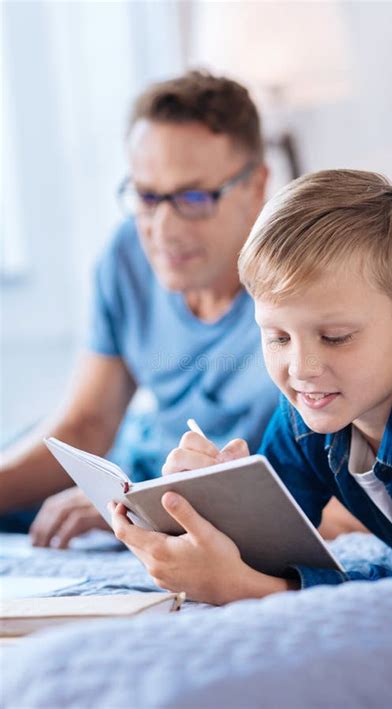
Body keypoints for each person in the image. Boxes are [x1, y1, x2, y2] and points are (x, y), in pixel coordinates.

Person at [108, 169, 392, 605]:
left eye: (336, 337)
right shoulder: (309, 411)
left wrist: (248, 589)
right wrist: (215, 504)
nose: (302, 368)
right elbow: (269, 548)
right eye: (277, 337)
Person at [0, 71, 281, 546]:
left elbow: (322, 488)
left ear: (256, 186)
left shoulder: (298, 288)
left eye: (194, 197)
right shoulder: (126, 256)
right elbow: (89, 422)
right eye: (148, 197)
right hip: (126, 476)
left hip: (184, 500)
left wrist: (148, 504)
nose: (164, 230)